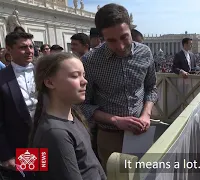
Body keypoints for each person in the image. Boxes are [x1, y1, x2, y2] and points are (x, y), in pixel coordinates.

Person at [80, 3, 158, 172]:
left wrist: (146, 114)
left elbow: (151, 88)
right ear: (101, 37)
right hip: (109, 136)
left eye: (124, 37)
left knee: (143, 174)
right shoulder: (90, 61)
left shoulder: (145, 53)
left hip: (141, 132)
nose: (120, 46)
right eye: (112, 41)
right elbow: (82, 105)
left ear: (131, 29)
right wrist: (116, 120)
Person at [30, 53, 106, 180]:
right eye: (75, 76)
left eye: (83, 75)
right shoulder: (55, 133)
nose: (84, 81)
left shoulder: (74, 116)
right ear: (49, 82)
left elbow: (92, 163)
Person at [0, 32, 36, 180]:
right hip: (23, 145)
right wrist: (6, 154)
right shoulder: (2, 79)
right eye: (23, 47)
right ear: (9, 49)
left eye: (31, 46)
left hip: (51, 140)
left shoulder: (46, 72)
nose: (29, 51)